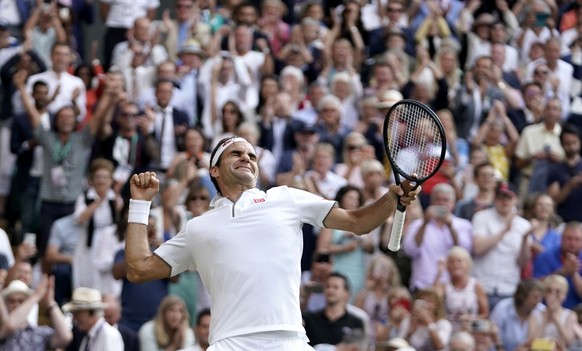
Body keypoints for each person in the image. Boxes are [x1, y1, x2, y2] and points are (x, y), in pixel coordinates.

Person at [124, 136, 419, 350]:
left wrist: (391, 198)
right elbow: (138, 269)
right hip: (230, 343)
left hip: (290, 339)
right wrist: (139, 204)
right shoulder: (198, 228)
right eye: (235, 153)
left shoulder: (286, 197)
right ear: (214, 170)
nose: (246, 158)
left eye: (252, 155)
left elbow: (358, 222)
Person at [0, 276, 72, 350]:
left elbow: (65, 337)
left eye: (21, 301)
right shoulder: (2, 330)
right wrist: (36, 296)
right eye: (12, 301)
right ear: (6, 305)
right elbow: (10, 325)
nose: (16, 304)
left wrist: (50, 303)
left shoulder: (38, 333)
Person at [303, 272, 365, 347]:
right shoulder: (309, 319)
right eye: (327, 286)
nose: (330, 290)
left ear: (346, 293)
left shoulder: (356, 323)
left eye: (336, 287)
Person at [534, 222, 582, 309]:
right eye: (569, 238)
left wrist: (574, 274)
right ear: (561, 239)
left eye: (577, 239)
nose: (572, 243)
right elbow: (536, 287)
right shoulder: (546, 256)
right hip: (547, 309)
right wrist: (562, 271)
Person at [490, 279, 545, 351]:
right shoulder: (502, 308)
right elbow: (493, 342)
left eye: (540, 297)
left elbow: (543, 343)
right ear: (522, 296)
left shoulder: (541, 310)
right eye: (535, 297)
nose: (538, 301)